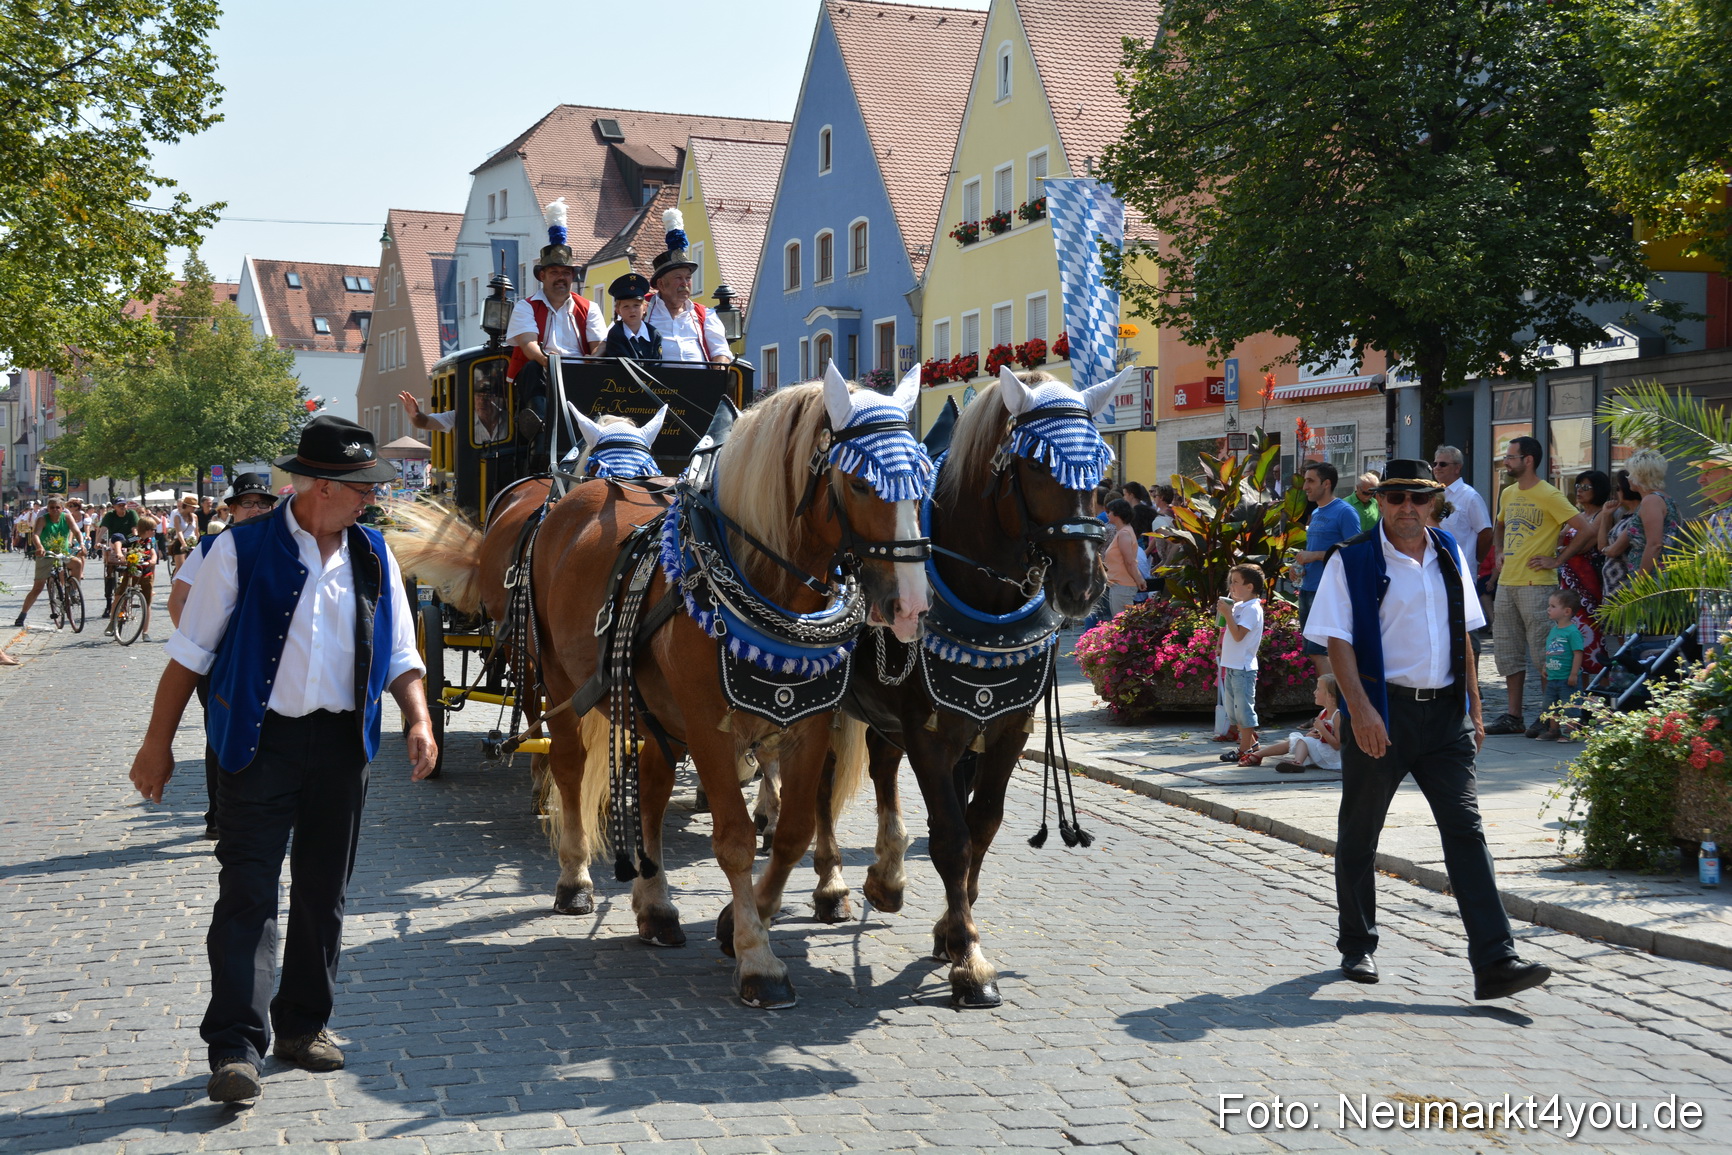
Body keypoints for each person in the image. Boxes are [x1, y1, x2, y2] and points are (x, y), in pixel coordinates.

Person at [128, 415, 435, 1104]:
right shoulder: (236, 551)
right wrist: (157, 743)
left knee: (325, 889)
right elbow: (189, 655)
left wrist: (418, 718)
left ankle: (302, 1025)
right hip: (258, 745)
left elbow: (399, 653)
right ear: (321, 486)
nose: (371, 500)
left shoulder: (373, 553)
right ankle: (236, 1045)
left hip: (341, 746)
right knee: (248, 893)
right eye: (361, 488)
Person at [1303, 459, 1550, 1000]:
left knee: (1466, 832)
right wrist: (1360, 710)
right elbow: (1335, 640)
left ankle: (1495, 962)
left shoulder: (1447, 552)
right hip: (1382, 712)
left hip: (1444, 717)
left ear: (1434, 502)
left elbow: (1462, 632)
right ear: (1382, 503)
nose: (1406, 508)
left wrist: (1476, 708)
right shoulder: (1354, 558)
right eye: (1395, 498)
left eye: (1417, 498)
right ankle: (1357, 943)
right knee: (1361, 831)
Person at [1485, 436, 1595, 737]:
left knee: (1546, 655)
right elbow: (1500, 525)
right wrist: (1499, 552)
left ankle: (1550, 718)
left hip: (1537, 585)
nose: (1506, 462)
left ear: (1528, 460)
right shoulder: (1507, 493)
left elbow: (1586, 529)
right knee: (1507, 653)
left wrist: (1558, 560)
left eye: (1510, 457)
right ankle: (1513, 715)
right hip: (1508, 583)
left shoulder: (1549, 494)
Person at [505, 197, 607, 394]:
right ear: (542, 276)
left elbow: (599, 346)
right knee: (533, 369)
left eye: (566, 273)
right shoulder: (526, 307)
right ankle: (537, 423)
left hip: (580, 375)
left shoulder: (590, 308)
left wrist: (590, 361)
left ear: (572, 276)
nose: (561, 278)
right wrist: (549, 363)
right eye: (554, 272)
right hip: (542, 374)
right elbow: (528, 345)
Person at [1291, 462, 1360, 679]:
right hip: (1309, 588)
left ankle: (1335, 707)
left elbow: (1355, 551)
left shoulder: (1345, 512)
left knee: (1324, 651)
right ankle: (1331, 707)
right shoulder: (1318, 512)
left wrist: (1315, 555)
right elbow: (1318, 549)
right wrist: (1299, 566)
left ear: (1326, 484)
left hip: (1330, 591)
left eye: (1310, 481)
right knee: (1314, 651)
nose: (1305, 487)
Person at [646, 209, 732, 365]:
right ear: (661, 284)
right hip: (654, 386)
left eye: (688, 278)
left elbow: (721, 350)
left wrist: (719, 368)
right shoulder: (643, 310)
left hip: (698, 385)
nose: (684, 283)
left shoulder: (705, 315)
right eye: (678, 278)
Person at [1241, 674, 1342, 772]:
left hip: (1333, 756)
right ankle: (1258, 755)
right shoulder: (1323, 713)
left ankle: (1297, 763)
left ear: (1329, 696)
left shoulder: (1337, 715)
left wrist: (1322, 729)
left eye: (1318, 689)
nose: (1314, 692)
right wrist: (1312, 734)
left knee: (1303, 741)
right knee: (1296, 741)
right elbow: (1319, 735)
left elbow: (1337, 745)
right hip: (1323, 751)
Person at [1216, 564, 1265, 765]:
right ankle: (1252, 745)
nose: (1232, 586)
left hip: (1244, 668)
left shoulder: (1252, 609)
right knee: (1233, 710)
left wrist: (1228, 614)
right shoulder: (1239, 606)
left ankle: (1244, 750)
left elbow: (1238, 636)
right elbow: (1226, 631)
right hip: (1233, 665)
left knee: (1244, 709)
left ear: (1250, 586)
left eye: (1236, 582)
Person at [14, 496, 86, 626]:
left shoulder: (67, 517)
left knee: (77, 563)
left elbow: (76, 531)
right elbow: (36, 534)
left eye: (57, 507)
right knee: (38, 587)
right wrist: (40, 547)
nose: (55, 510)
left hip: (62, 552)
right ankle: (22, 615)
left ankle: (73, 590)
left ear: (62, 509)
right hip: (46, 554)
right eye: (52, 508)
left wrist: (82, 543)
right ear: (47, 509)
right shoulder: (43, 519)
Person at [1432, 446, 1492, 570]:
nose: (1437, 468)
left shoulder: (1470, 496)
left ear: (1457, 468)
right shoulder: (1432, 494)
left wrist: (1476, 560)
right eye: (1435, 463)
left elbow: (1486, 533)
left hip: (1461, 571)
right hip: (1436, 569)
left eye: (1443, 464)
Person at [1540, 590, 1585, 742]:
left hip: (1567, 678)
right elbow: (1551, 650)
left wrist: (1573, 674)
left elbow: (1578, 653)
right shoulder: (1554, 630)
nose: (1548, 609)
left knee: (1570, 706)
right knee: (1551, 705)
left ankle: (1571, 730)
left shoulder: (1572, 632)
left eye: (1553, 606)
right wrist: (1546, 665)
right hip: (1553, 677)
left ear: (1566, 611)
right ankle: (1554, 730)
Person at [103, 525, 158, 641]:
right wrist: (119, 553)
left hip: (146, 573)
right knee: (118, 596)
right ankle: (112, 623)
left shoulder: (150, 541)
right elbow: (119, 543)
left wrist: (153, 560)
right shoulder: (135, 539)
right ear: (146, 530)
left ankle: (145, 632)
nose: (154, 531)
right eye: (153, 529)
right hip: (131, 572)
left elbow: (153, 553)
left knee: (147, 602)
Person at [600, 273, 663, 360]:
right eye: (626, 306)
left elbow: (657, 363)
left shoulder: (654, 333)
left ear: (645, 307)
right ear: (618, 311)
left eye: (636, 305)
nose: (632, 310)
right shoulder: (616, 334)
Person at [98, 497, 142, 617]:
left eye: (124, 504)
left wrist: (136, 540)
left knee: (134, 567)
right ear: (114, 507)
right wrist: (97, 542)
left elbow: (135, 530)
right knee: (109, 573)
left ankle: (132, 593)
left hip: (129, 541)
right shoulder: (109, 516)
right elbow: (103, 530)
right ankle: (108, 604)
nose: (122, 506)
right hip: (113, 541)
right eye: (119, 505)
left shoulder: (131, 514)